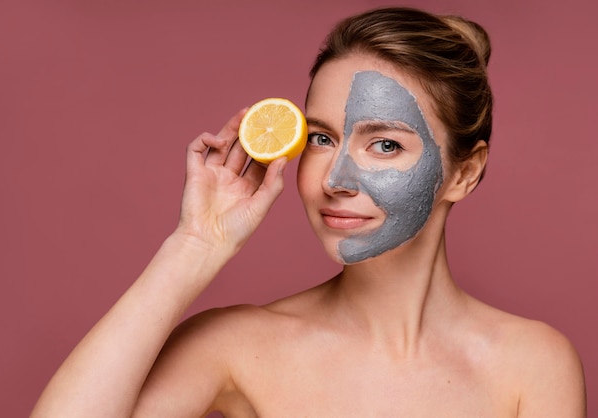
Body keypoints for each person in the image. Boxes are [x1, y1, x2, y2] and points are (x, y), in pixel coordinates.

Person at [31, 7, 586, 417]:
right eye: (321, 138)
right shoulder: (235, 347)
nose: (334, 179)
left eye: (385, 144)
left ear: (463, 172)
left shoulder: (531, 364)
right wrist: (193, 245)